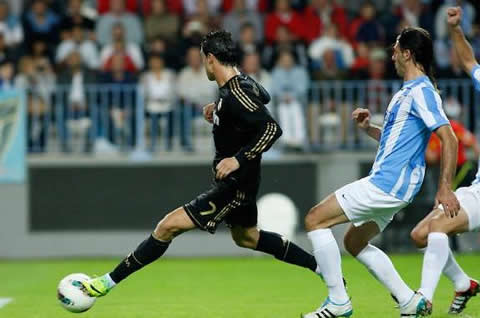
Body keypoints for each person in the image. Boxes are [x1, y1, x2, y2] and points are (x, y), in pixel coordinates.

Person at [81, 31, 322, 300]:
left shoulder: (236, 92)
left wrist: (236, 159)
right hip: (242, 182)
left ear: (209, 59)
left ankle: (105, 283)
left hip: (235, 185)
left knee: (167, 226)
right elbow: (262, 95)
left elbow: (271, 129)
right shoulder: (236, 87)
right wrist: (218, 110)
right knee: (247, 238)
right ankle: (321, 267)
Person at [302, 27, 459, 318]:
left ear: (408, 53)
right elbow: (397, 142)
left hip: (388, 184)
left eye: (396, 48)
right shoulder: (408, 92)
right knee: (354, 241)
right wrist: (369, 128)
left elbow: (449, 138)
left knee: (315, 219)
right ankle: (408, 301)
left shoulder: (422, 91)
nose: (393, 54)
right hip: (395, 186)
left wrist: (445, 187)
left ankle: (338, 302)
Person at [409, 7, 480, 315]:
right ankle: (464, 284)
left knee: (437, 227)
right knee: (419, 235)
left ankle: (422, 297)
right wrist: (455, 29)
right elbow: (468, 61)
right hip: (476, 187)